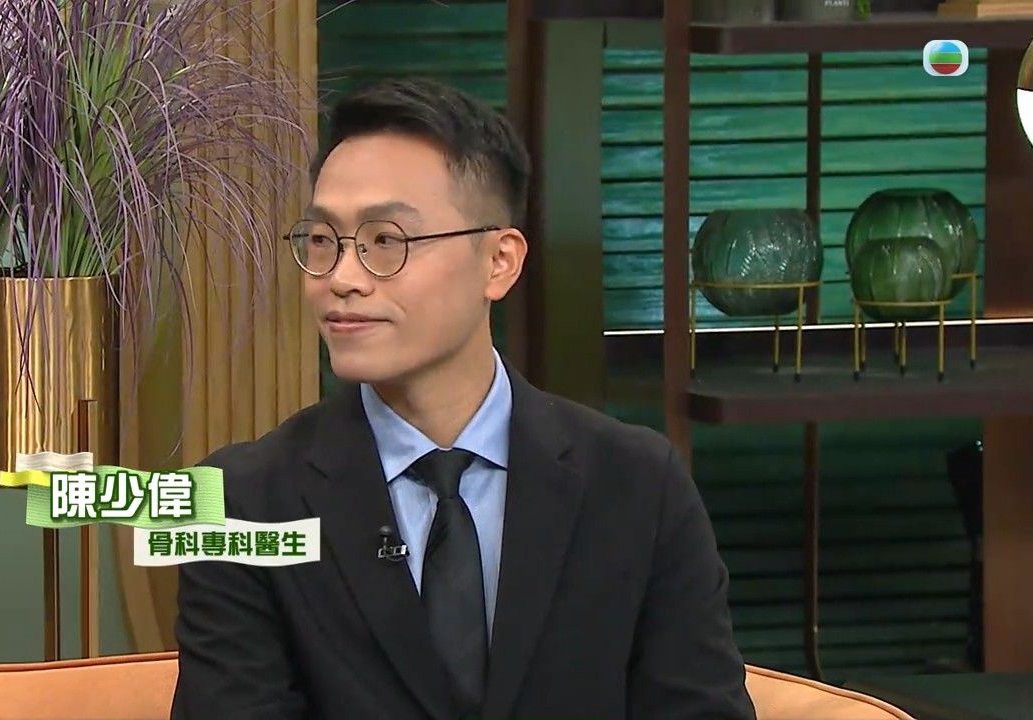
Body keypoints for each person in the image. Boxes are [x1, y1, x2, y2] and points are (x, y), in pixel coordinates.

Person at [171, 77, 756, 720]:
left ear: (498, 262)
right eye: (322, 240)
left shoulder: (638, 485)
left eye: (386, 241)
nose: (341, 278)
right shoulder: (240, 507)